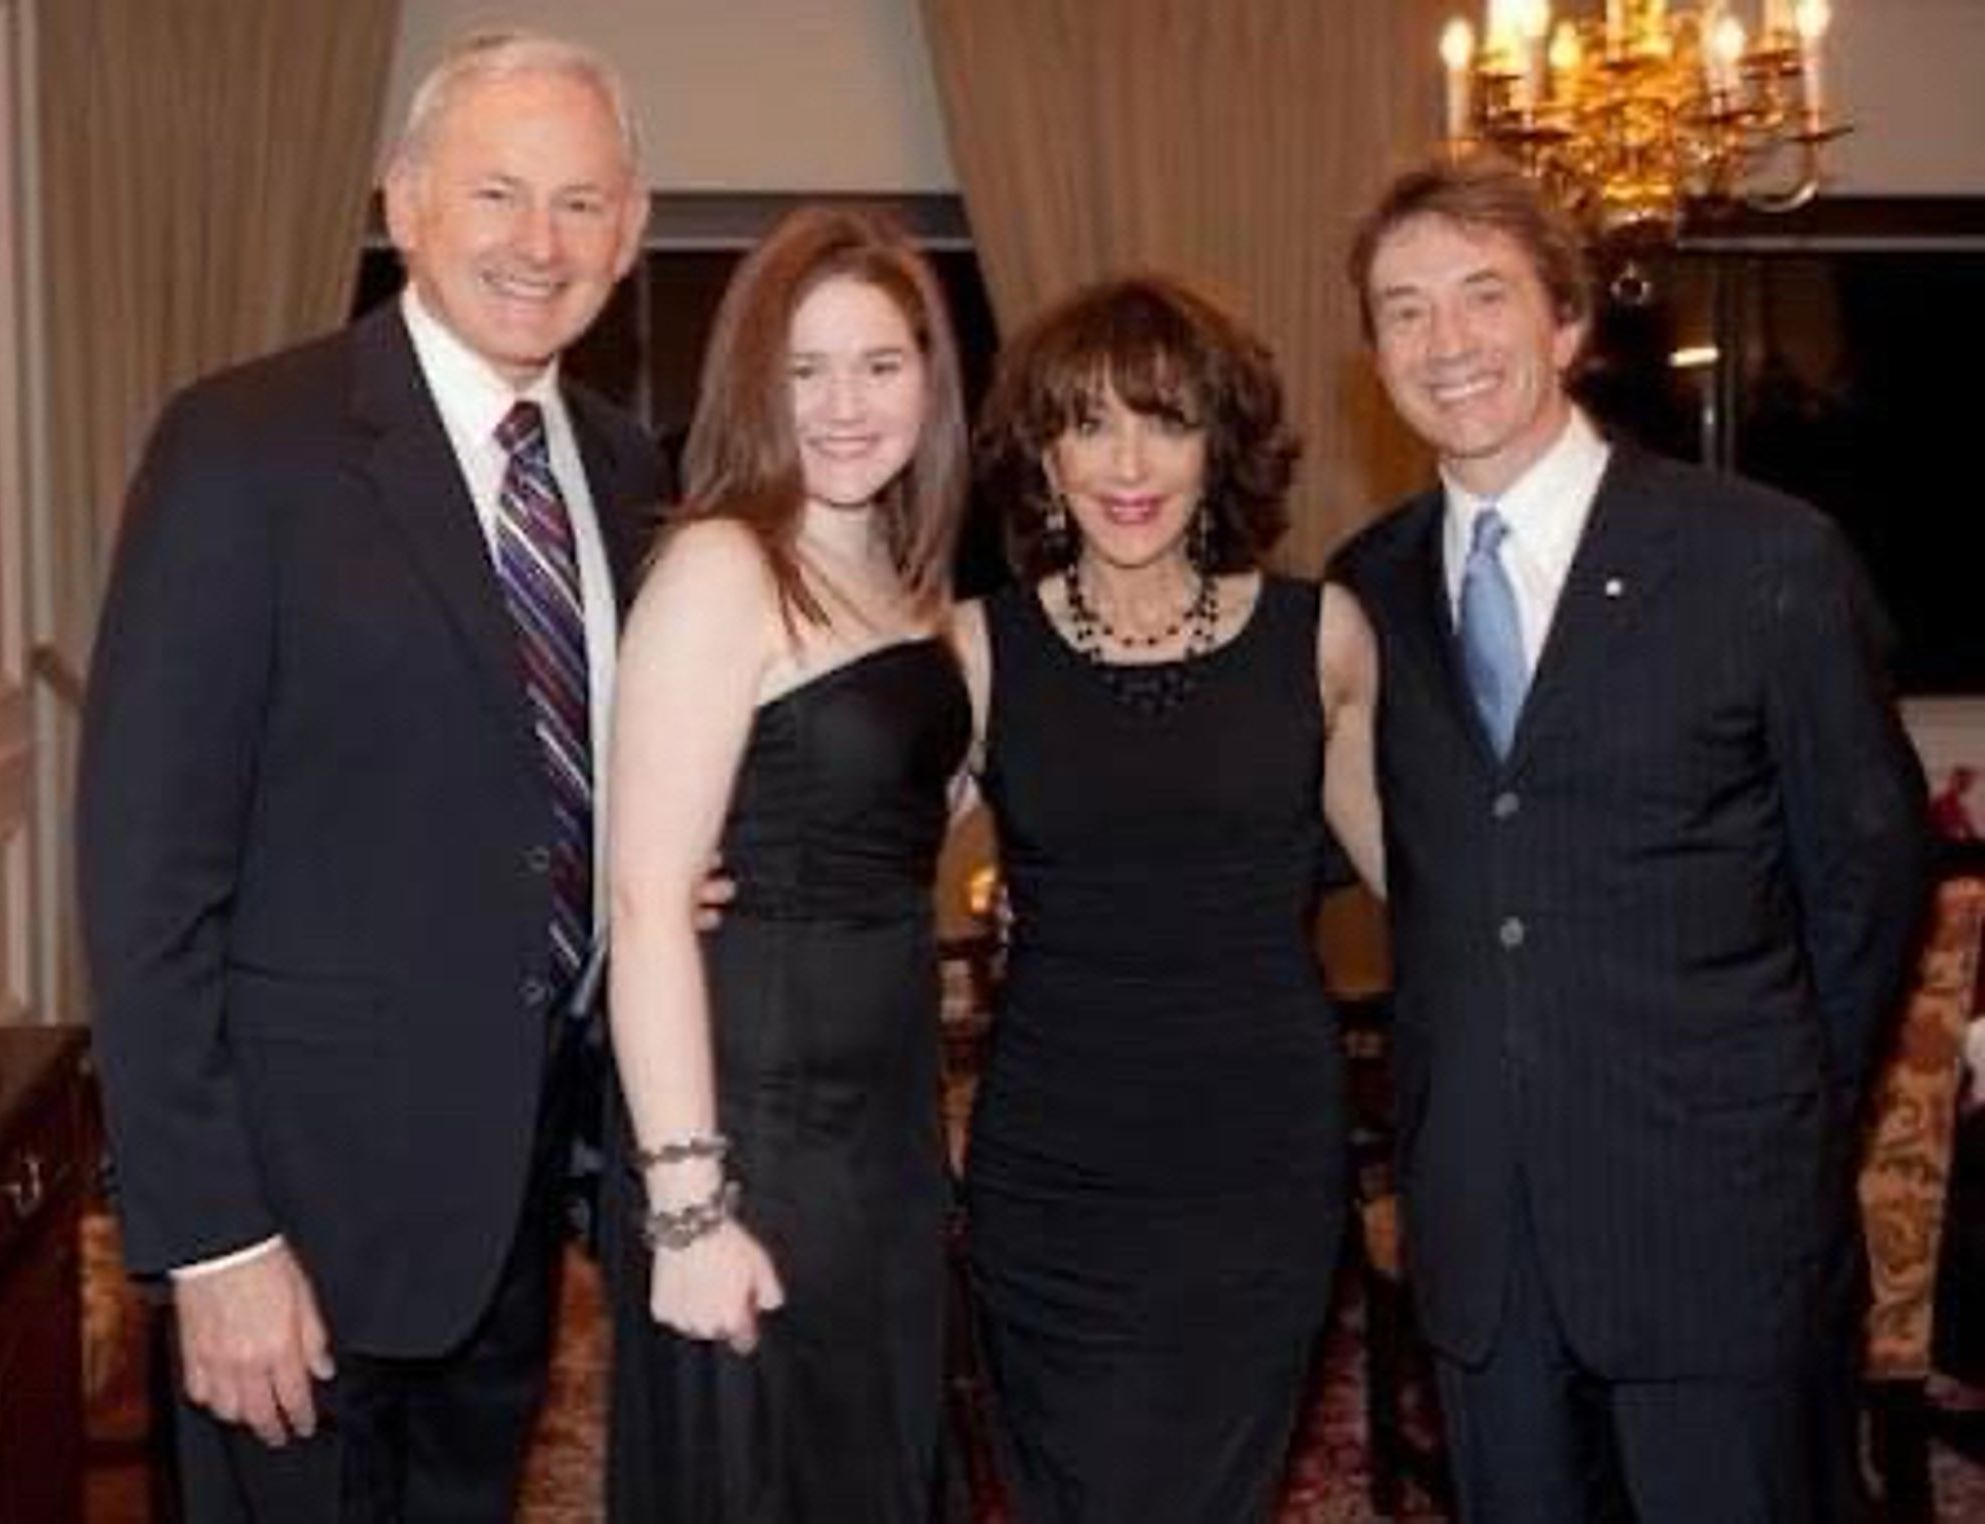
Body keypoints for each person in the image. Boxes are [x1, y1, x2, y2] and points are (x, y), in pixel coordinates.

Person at [76, 29, 661, 1521]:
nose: (542, 244)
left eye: (583, 203)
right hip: (295, 1239)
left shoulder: (621, 468)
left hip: (518, 1211)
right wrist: (211, 1241)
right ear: (403, 203)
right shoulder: (244, 447)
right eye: (499, 194)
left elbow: (565, 784)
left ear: (632, 229)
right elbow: (146, 879)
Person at [1331, 154, 1928, 1521]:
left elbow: (1869, 877)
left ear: (1566, 320)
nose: (1447, 341)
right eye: (1404, 309)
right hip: (1484, 1227)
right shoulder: (1368, 590)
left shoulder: (1761, 559)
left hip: (1716, 1214)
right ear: (1373, 355)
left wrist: (1767, 1107)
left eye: (1485, 295)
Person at [952, 273, 1383, 1521]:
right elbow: (852, 861)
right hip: (1051, 1172)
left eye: (1165, 420)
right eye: (1087, 424)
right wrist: (700, 873)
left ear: (1221, 445)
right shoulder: (977, 649)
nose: (1126, 464)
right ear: (1041, 455)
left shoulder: (1321, 638)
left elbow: (1435, 882)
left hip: (1255, 1164)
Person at [600, 205, 972, 1520]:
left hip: (883, 1121)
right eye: (803, 370)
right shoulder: (719, 563)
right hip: (755, 1118)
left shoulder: (900, 571)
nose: (844, 406)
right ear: (753, 381)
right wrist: (690, 1211)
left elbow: (895, 811)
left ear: (930, 378)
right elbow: (646, 906)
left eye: (879, 364)